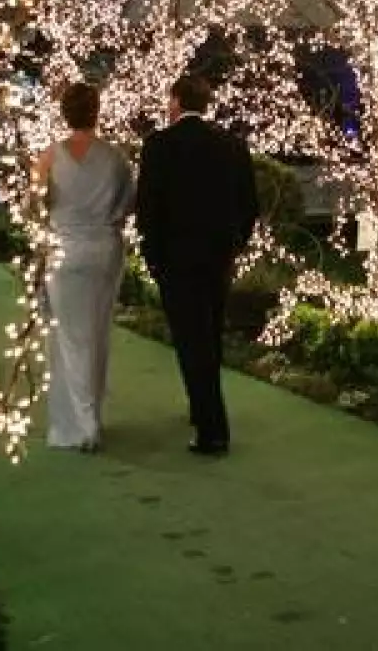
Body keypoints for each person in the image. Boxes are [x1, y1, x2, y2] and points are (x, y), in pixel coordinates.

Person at [135, 75, 259, 455]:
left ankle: (212, 428)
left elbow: (148, 209)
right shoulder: (232, 145)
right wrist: (235, 244)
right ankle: (200, 408)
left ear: (175, 102)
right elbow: (249, 205)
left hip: (176, 259)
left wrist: (152, 257)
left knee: (192, 341)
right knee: (210, 334)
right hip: (218, 256)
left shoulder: (158, 145)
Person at [36, 82, 135, 452]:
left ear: (65, 113)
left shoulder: (48, 157)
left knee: (68, 339)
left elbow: (37, 206)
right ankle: (91, 415)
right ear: (97, 110)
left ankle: (81, 422)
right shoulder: (115, 158)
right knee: (96, 335)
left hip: (64, 251)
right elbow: (128, 204)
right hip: (104, 251)